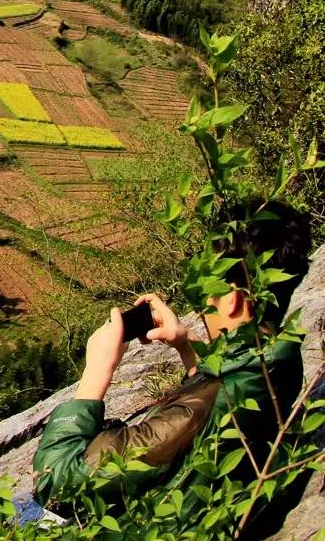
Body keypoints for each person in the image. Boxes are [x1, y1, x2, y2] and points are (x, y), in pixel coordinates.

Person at [31, 200, 310, 518]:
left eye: (207, 280)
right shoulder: (280, 356)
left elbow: (57, 484)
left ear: (231, 300)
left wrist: (95, 372)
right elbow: (218, 411)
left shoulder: (192, 414)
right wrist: (187, 347)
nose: (204, 298)